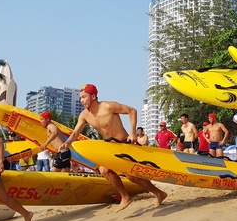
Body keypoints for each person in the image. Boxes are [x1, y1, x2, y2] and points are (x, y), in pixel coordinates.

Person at [60, 84, 167, 212]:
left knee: (132, 177)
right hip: (109, 146)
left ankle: (159, 193)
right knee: (105, 171)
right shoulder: (84, 115)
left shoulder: (108, 106)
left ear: (93, 96)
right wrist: (68, 143)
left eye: (84, 97)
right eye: (80, 98)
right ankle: (125, 196)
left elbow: (132, 111)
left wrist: (133, 133)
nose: (81, 100)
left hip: (124, 143)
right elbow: (76, 132)